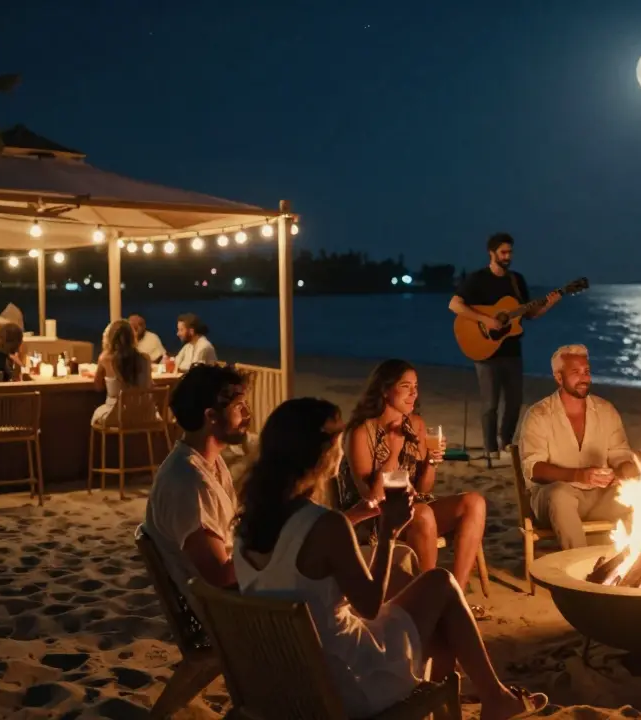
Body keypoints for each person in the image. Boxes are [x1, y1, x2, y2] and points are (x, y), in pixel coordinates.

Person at [233, 398, 547, 720]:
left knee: (416, 584)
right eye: (337, 440)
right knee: (440, 583)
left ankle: (473, 700)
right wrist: (388, 532)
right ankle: (491, 698)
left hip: (287, 681)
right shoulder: (324, 525)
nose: (341, 450)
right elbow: (369, 604)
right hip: (348, 682)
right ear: (320, 453)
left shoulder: (245, 526)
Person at [333, 360, 489, 615]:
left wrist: (431, 463)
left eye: (415, 386)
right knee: (423, 513)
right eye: (406, 386)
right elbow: (371, 498)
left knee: (474, 502)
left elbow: (424, 487)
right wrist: (392, 453)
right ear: (385, 390)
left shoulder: (416, 424)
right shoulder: (361, 432)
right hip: (374, 518)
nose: (414, 393)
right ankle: (431, 601)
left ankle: (455, 601)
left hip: (412, 509)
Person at [448, 233, 560, 460]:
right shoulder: (478, 279)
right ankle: (490, 449)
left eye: (510, 252)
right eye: (503, 253)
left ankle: (506, 443)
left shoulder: (516, 281)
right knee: (490, 403)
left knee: (515, 401)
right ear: (492, 253)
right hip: (485, 351)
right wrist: (486, 320)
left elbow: (530, 314)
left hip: (512, 351)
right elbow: (454, 304)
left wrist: (549, 303)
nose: (508, 257)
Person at [143, 364, 250, 601]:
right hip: (228, 610)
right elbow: (219, 575)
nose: (246, 415)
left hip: (235, 598)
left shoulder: (211, 462)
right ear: (211, 416)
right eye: (239, 407)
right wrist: (270, 554)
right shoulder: (188, 481)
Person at [518, 345, 639, 550]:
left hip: (598, 497)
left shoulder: (606, 411)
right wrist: (579, 475)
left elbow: (621, 455)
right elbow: (534, 469)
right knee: (560, 495)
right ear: (558, 377)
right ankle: (578, 567)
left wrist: (625, 470)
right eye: (575, 372)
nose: (584, 378)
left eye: (587, 372)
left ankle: (629, 563)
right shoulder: (539, 415)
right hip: (553, 500)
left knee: (638, 495)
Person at [89, 320, 155, 426]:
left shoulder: (105, 358)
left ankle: (109, 443)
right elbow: (149, 384)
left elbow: (98, 387)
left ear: (110, 338)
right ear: (132, 337)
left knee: (95, 414)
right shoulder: (145, 358)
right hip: (145, 414)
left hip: (117, 416)